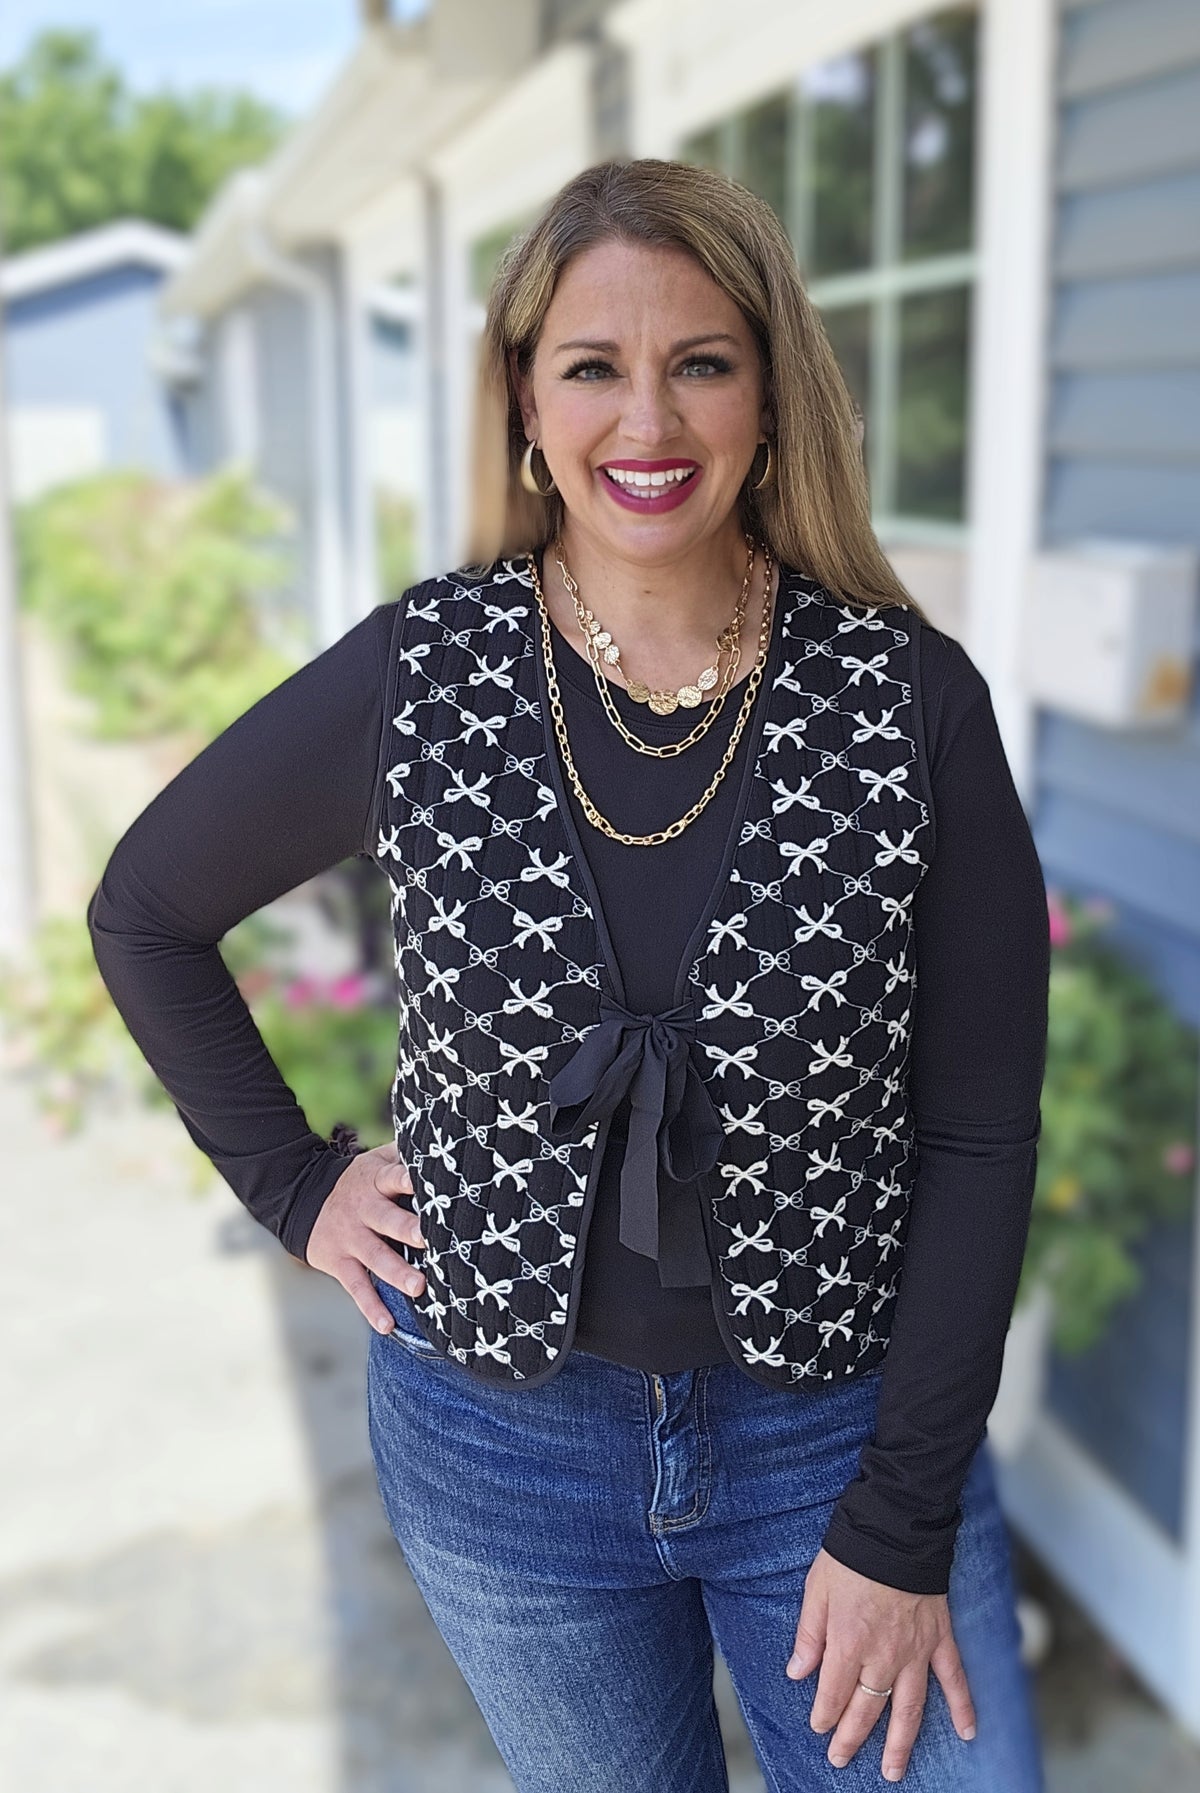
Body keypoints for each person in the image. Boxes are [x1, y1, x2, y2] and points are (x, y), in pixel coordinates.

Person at [88, 158, 1050, 1791]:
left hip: (838, 1438)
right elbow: (147, 910)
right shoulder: (429, 670)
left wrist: (897, 1519)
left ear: (770, 393)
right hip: (499, 1452)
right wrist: (292, 1181)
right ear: (527, 403)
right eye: (592, 367)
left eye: (701, 361)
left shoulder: (908, 702)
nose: (647, 421)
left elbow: (975, 1134)